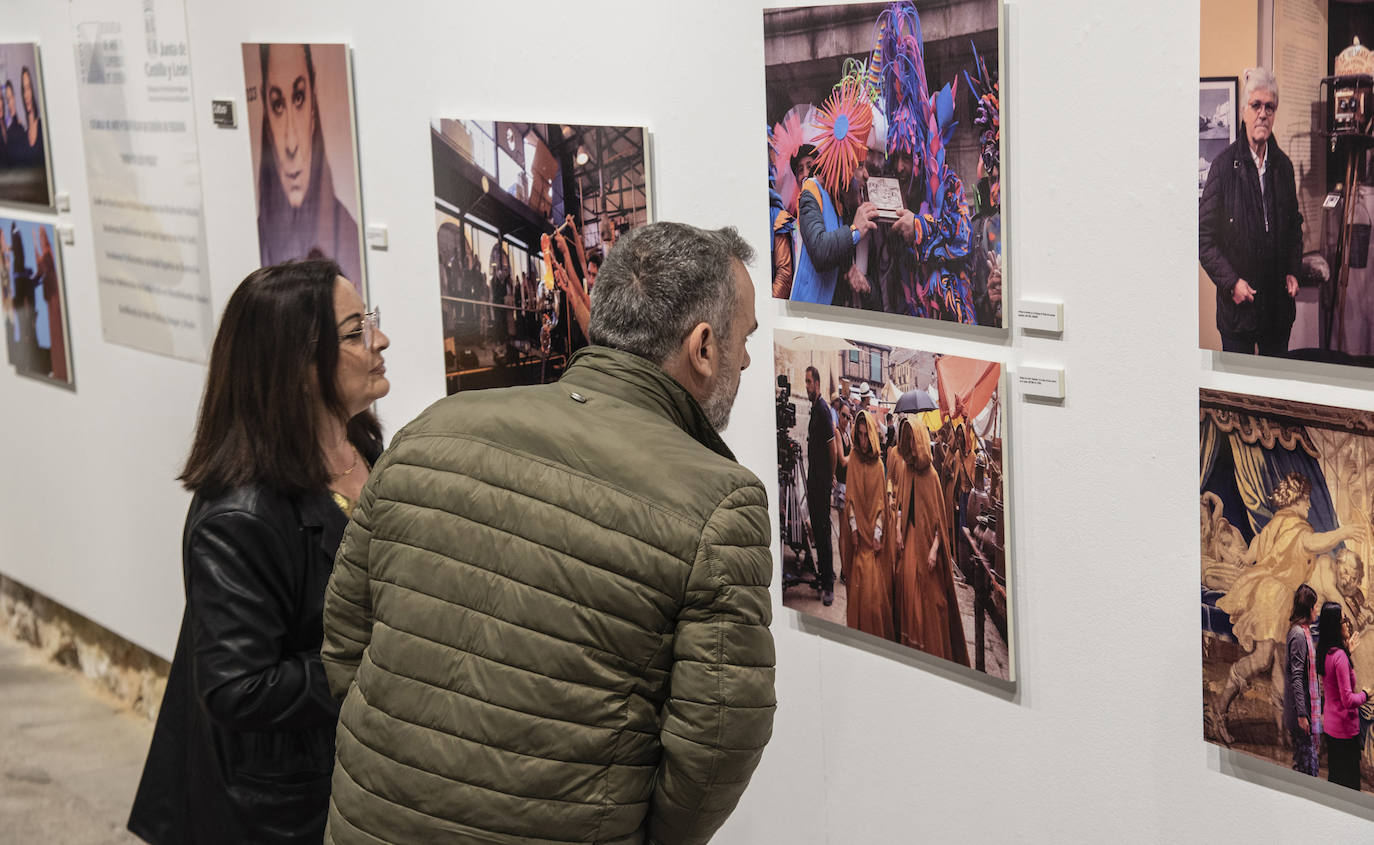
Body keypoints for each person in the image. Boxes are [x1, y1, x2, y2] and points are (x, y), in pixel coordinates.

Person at [321, 222, 774, 845]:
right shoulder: (720, 503)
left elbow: (346, 642)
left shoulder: (432, 429)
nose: (747, 358)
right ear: (702, 347)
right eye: (744, 338)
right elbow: (716, 743)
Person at [127, 260, 390, 845]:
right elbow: (237, 686)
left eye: (369, 321)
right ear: (299, 368)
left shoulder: (361, 442)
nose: (380, 339)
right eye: (354, 332)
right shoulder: (240, 516)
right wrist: (383, 662)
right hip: (276, 802)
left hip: (347, 770)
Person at [1214, 473, 1369, 743]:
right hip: (1272, 597)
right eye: (1307, 501)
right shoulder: (1299, 529)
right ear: (1297, 500)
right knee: (1263, 659)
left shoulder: (1275, 524)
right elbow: (1314, 543)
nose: (1309, 507)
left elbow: (1254, 549)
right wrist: (1343, 532)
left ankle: (1282, 729)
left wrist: (1246, 558)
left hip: (1278, 599)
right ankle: (1219, 709)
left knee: (1283, 664)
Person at [1199, 67, 1302, 355]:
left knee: (1275, 393)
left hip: (1276, 312)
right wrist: (1231, 283)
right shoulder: (1222, 167)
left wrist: (1294, 270)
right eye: (1256, 105)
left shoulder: (1283, 167)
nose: (1263, 113)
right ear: (1244, 110)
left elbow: (1294, 228)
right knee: (1239, 395)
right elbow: (1203, 239)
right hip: (1237, 312)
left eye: (1270, 107)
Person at [255, 44, 363, 287]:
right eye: (277, 105)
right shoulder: (257, 239)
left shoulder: (351, 240)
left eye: (299, 97)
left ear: (313, 106)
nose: (291, 142)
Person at [891, 417, 969, 665]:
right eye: (908, 442)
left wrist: (935, 551)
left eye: (914, 441)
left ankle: (930, 653)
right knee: (907, 587)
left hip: (928, 549)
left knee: (930, 601)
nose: (911, 447)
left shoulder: (932, 476)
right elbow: (901, 506)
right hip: (909, 540)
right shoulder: (906, 470)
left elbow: (939, 523)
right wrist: (898, 531)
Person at [845, 409, 893, 639]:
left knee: (872, 597)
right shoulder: (853, 458)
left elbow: (881, 505)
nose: (863, 440)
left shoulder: (878, 465)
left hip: (872, 539)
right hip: (858, 539)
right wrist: (853, 528)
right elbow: (851, 498)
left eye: (866, 435)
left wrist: (878, 532)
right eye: (860, 435)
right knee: (857, 596)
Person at [1317, 601, 1370, 789]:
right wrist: (1366, 694)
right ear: (1335, 627)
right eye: (1343, 620)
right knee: (1350, 785)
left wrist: (1347, 652)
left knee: (1336, 779)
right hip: (1345, 730)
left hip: (1332, 727)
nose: (1347, 623)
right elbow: (1348, 700)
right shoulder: (1339, 657)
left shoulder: (1325, 651)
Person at [805, 364, 837, 605]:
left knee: (823, 532)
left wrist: (830, 477)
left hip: (821, 482)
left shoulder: (824, 410)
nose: (806, 386)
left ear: (817, 383)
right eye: (805, 382)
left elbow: (833, 447)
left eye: (808, 382)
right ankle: (827, 573)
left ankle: (828, 585)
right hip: (815, 480)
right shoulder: (815, 409)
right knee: (817, 529)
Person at [1283, 584, 1321, 776]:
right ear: (1307, 608)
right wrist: (1302, 714)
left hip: (1303, 712)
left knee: (1306, 765)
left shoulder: (1302, 632)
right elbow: (1297, 677)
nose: (1316, 610)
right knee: (1305, 769)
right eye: (1314, 606)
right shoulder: (1298, 634)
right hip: (1301, 715)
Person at [19, 66, 42, 166]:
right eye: (24, 90)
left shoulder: (41, 126)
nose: (26, 95)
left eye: (28, 88)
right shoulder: (24, 132)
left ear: (32, 90)